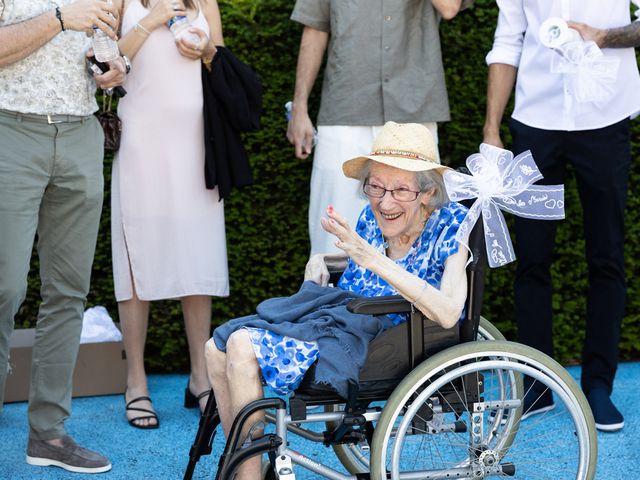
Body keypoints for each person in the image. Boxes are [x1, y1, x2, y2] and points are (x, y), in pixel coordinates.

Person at [205, 122, 469, 479]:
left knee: (239, 344)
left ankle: (247, 476)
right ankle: (247, 464)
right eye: (375, 186)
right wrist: (325, 261)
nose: (385, 202)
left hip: (389, 338)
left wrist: (372, 258)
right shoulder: (371, 219)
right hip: (342, 319)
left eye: (400, 190)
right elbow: (357, 263)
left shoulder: (452, 224)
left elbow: (450, 311)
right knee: (214, 348)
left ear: (427, 192)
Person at [482, 0, 640, 432]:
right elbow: (507, 41)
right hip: (535, 120)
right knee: (532, 258)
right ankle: (538, 385)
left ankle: (599, 387)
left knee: (606, 257)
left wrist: (604, 37)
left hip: (605, 120)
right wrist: (491, 128)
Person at [0, 0, 126, 473]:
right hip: (10, 129)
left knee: (69, 292)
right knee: (3, 288)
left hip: (80, 134)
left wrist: (114, 68)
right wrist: (57, 18)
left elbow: (105, 49)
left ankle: (48, 434)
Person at [111, 0, 227, 429]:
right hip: (140, 141)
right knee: (136, 256)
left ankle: (201, 376)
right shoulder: (120, 1)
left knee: (196, 255)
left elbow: (222, 61)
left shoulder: (205, 2)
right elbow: (107, 59)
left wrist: (206, 52)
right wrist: (152, 21)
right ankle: (135, 381)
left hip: (197, 144)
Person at [286, 0, 470, 256]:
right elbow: (315, 29)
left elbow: (449, 7)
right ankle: (328, 296)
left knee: (418, 236)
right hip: (345, 107)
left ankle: (412, 297)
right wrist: (299, 108)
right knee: (333, 234)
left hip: (413, 113)